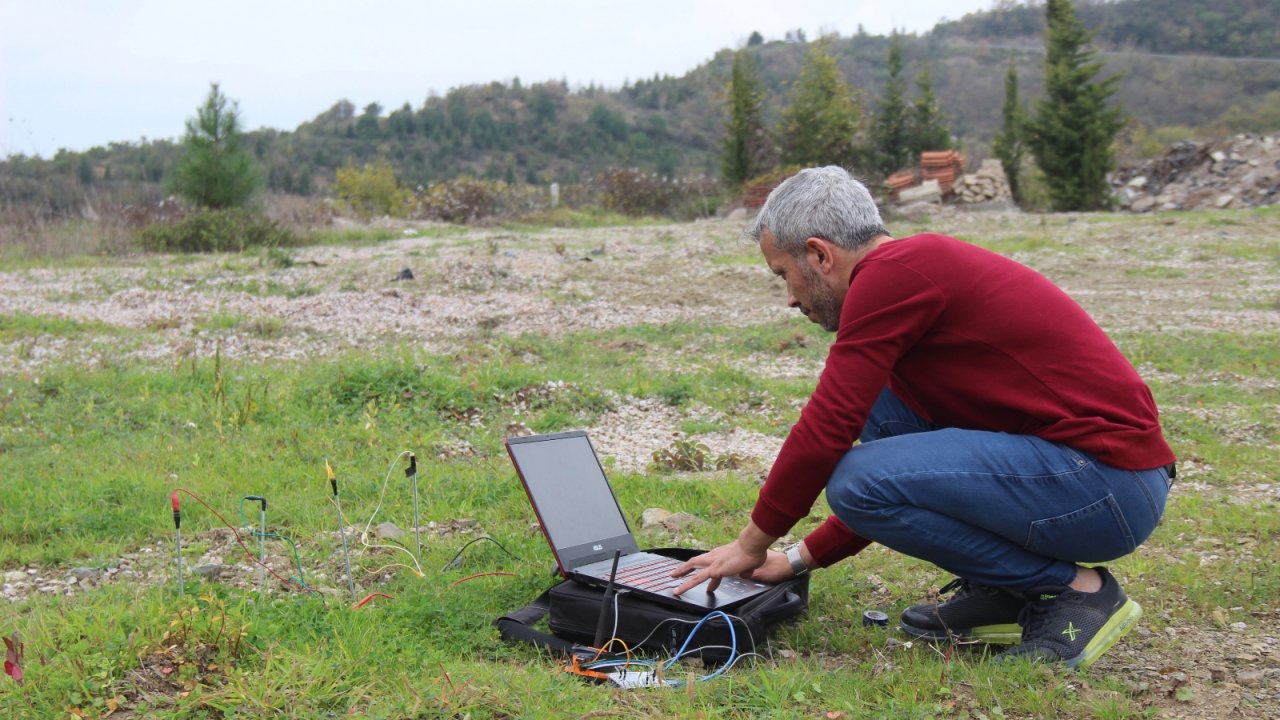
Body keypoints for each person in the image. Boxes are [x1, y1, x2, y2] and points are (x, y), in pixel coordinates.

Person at [671, 166, 1175, 670]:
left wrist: (752, 544)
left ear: (820, 255)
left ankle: (1079, 594)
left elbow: (829, 427)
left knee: (856, 478)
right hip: (1090, 480)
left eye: (784, 273)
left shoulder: (896, 273)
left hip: (1109, 486)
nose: (788, 297)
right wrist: (799, 558)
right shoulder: (910, 272)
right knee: (881, 408)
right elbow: (899, 466)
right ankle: (1008, 591)